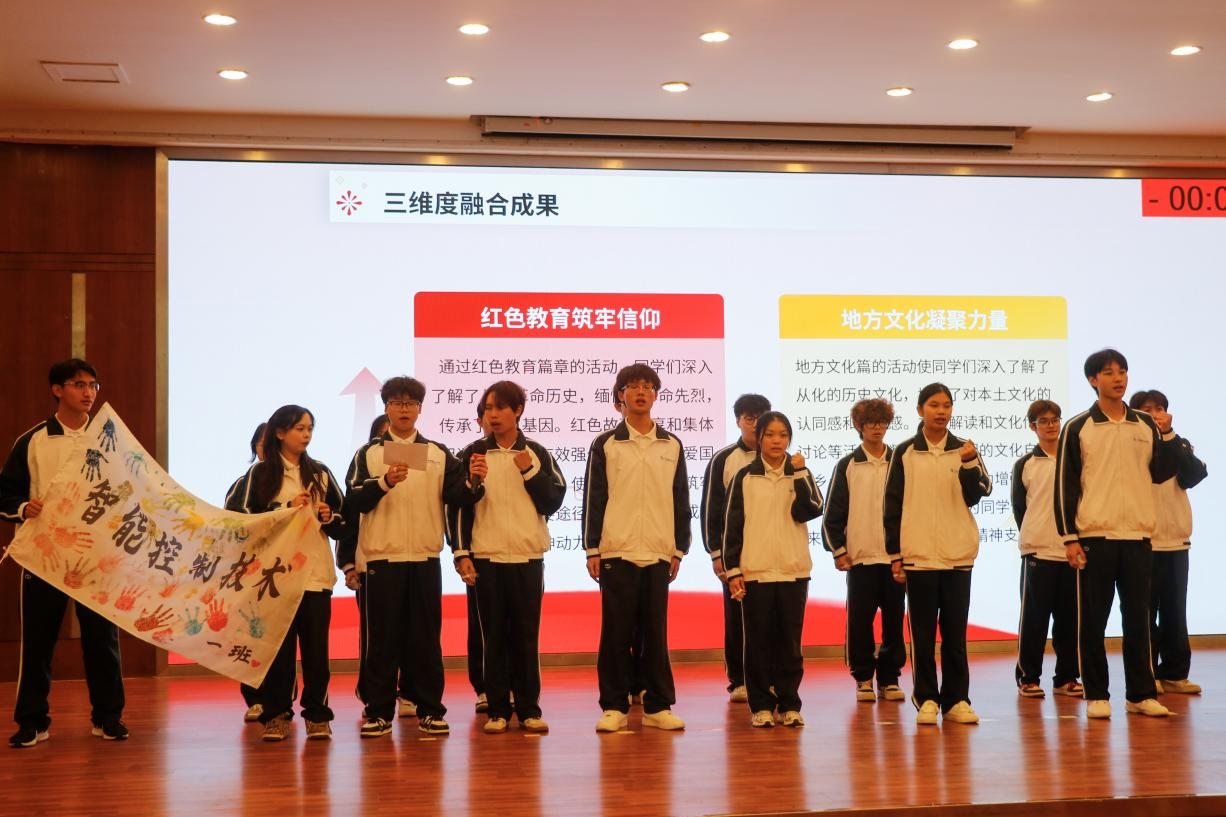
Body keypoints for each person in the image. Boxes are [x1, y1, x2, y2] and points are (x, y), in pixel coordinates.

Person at [0, 359, 127, 748]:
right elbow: (5, 494)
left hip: (96, 559)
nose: (89, 393)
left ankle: (108, 718)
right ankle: (33, 721)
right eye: (79, 385)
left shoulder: (110, 439)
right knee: (38, 643)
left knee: (102, 641)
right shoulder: (33, 440)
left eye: (93, 385)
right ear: (57, 390)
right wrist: (24, 508)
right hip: (45, 557)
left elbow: (128, 493)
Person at [345, 376, 479, 738]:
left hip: (424, 559)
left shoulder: (436, 453)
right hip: (382, 560)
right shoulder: (369, 454)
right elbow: (354, 500)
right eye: (397, 403)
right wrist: (385, 482)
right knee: (382, 641)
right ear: (386, 407)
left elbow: (459, 496)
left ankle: (430, 710)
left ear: (420, 409)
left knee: (425, 640)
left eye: (410, 403)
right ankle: (378, 712)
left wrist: (473, 482)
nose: (404, 410)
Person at [1056, 349, 1178, 719]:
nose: (1118, 378)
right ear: (1093, 380)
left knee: (1139, 619)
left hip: (1139, 536)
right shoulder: (1078, 426)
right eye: (1109, 372)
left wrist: (1166, 433)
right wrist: (1069, 537)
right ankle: (1097, 694)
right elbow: (1065, 485)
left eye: (1122, 371)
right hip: (1095, 537)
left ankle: (1140, 694)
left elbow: (1161, 473)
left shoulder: (1144, 424)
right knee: (1093, 620)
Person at [225, 405, 345, 741]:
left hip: (315, 575)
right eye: (299, 429)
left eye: (310, 429)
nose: (306, 435)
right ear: (279, 433)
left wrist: (328, 517)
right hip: (274, 579)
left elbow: (345, 521)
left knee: (317, 653)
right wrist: (283, 510)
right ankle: (276, 714)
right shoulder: (259, 475)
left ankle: (318, 716)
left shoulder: (320, 473)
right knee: (278, 652)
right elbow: (238, 520)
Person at [453, 381, 567, 733]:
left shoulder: (536, 452)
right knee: (492, 638)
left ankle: (529, 708)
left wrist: (528, 471)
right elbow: (456, 506)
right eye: (488, 408)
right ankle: (498, 710)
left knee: (525, 636)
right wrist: (462, 553)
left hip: (527, 557)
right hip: (486, 558)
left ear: (517, 410)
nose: (493, 414)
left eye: (500, 407)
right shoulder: (472, 453)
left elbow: (553, 501)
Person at [584, 364, 691, 732]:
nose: (641, 392)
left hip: (659, 550)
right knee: (615, 633)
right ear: (621, 395)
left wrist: (679, 548)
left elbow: (680, 498)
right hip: (617, 550)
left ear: (656, 395)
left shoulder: (671, 444)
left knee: (655, 633)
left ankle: (657, 706)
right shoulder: (606, 444)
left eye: (648, 386)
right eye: (633, 386)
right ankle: (614, 706)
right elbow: (594, 498)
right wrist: (592, 548)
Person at [885, 383, 992, 726]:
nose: (941, 411)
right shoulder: (905, 452)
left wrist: (969, 462)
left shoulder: (964, 448)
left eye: (947, 405)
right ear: (920, 410)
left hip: (958, 554)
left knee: (955, 634)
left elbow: (981, 491)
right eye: (934, 405)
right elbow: (892, 505)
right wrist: (895, 553)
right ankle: (927, 698)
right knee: (922, 634)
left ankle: (957, 699)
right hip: (918, 556)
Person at [723, 412, 824, 728]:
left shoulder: (799, 473)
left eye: (783, 435)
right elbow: (732, 527)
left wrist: (801, 472)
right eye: (770, 435)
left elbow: (811, 509)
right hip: (756, 571)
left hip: (794, 570)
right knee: (757, 643)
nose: (777, 441)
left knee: (790, 644)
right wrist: (733, 570)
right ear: (759, 438)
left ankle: (789, 703)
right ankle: (761, 706)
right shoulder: (744, 477)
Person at [338, 414, 424, 719]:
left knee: (413, 634)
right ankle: (373, 696)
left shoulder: (424, 462)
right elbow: (350, 516)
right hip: (371, 564)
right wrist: (348, 564)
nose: (395, 443)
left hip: (413, 561)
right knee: (376, 638)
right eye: (386, 437)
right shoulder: (365, 464)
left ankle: (410, 693)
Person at [822, 399, 906, 704]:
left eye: (882, 422)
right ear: (859, 426)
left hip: (895, 559)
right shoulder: (847, 465)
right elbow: (832, 514)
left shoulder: (900, 462)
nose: (877, 428)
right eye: (870, 423)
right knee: (859, 622)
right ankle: (863, 678)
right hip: (860, 559)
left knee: (894, 621)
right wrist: (838, 550)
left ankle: (890, 678)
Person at [1128, 389, 1207, 696]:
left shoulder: (1178, 443)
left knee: (1175, 612)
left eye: (1159, 408)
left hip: (1175, 541)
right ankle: (1148, 675)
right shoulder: (1130, 445)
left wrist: (1169, 435)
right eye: (1147, 409)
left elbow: (1195, 475)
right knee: (1143, 614)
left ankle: (1175, 673)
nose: (1155, 414)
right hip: (1142, 540)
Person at [701, 393, 771, 703]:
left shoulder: (780, 458)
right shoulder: (723, 459)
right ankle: (739, 681)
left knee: (771, 620)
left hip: (772, 554)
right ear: (738, 421)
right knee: (737, 619)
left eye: (759, 417)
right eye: (748, 418)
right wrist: (716, 554)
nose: (754, 424)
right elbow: (711, 509)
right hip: (736, 555)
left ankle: (769, 680)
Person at [1011, 400, 1082, 699]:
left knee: (1070, 620)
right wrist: (1035, 533)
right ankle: (1028, 677)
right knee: (1034, 621)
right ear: (1033, 426)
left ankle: (1066, 677)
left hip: (1071, 552)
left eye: (1055, 419)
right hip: (1038, 551)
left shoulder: (1075, 460)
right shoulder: (1025, 464)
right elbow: (1019, 508)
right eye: (1044, 421)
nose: (1051, 425)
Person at [232, 421, 266, 722]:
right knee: (252, 636)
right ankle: (255, 699)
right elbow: (232, 525)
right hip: (251, 575)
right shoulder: (242, 484)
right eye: (262, 443)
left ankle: (282, 701)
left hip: (286, 574)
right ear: (255, 447)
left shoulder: (303, 480)